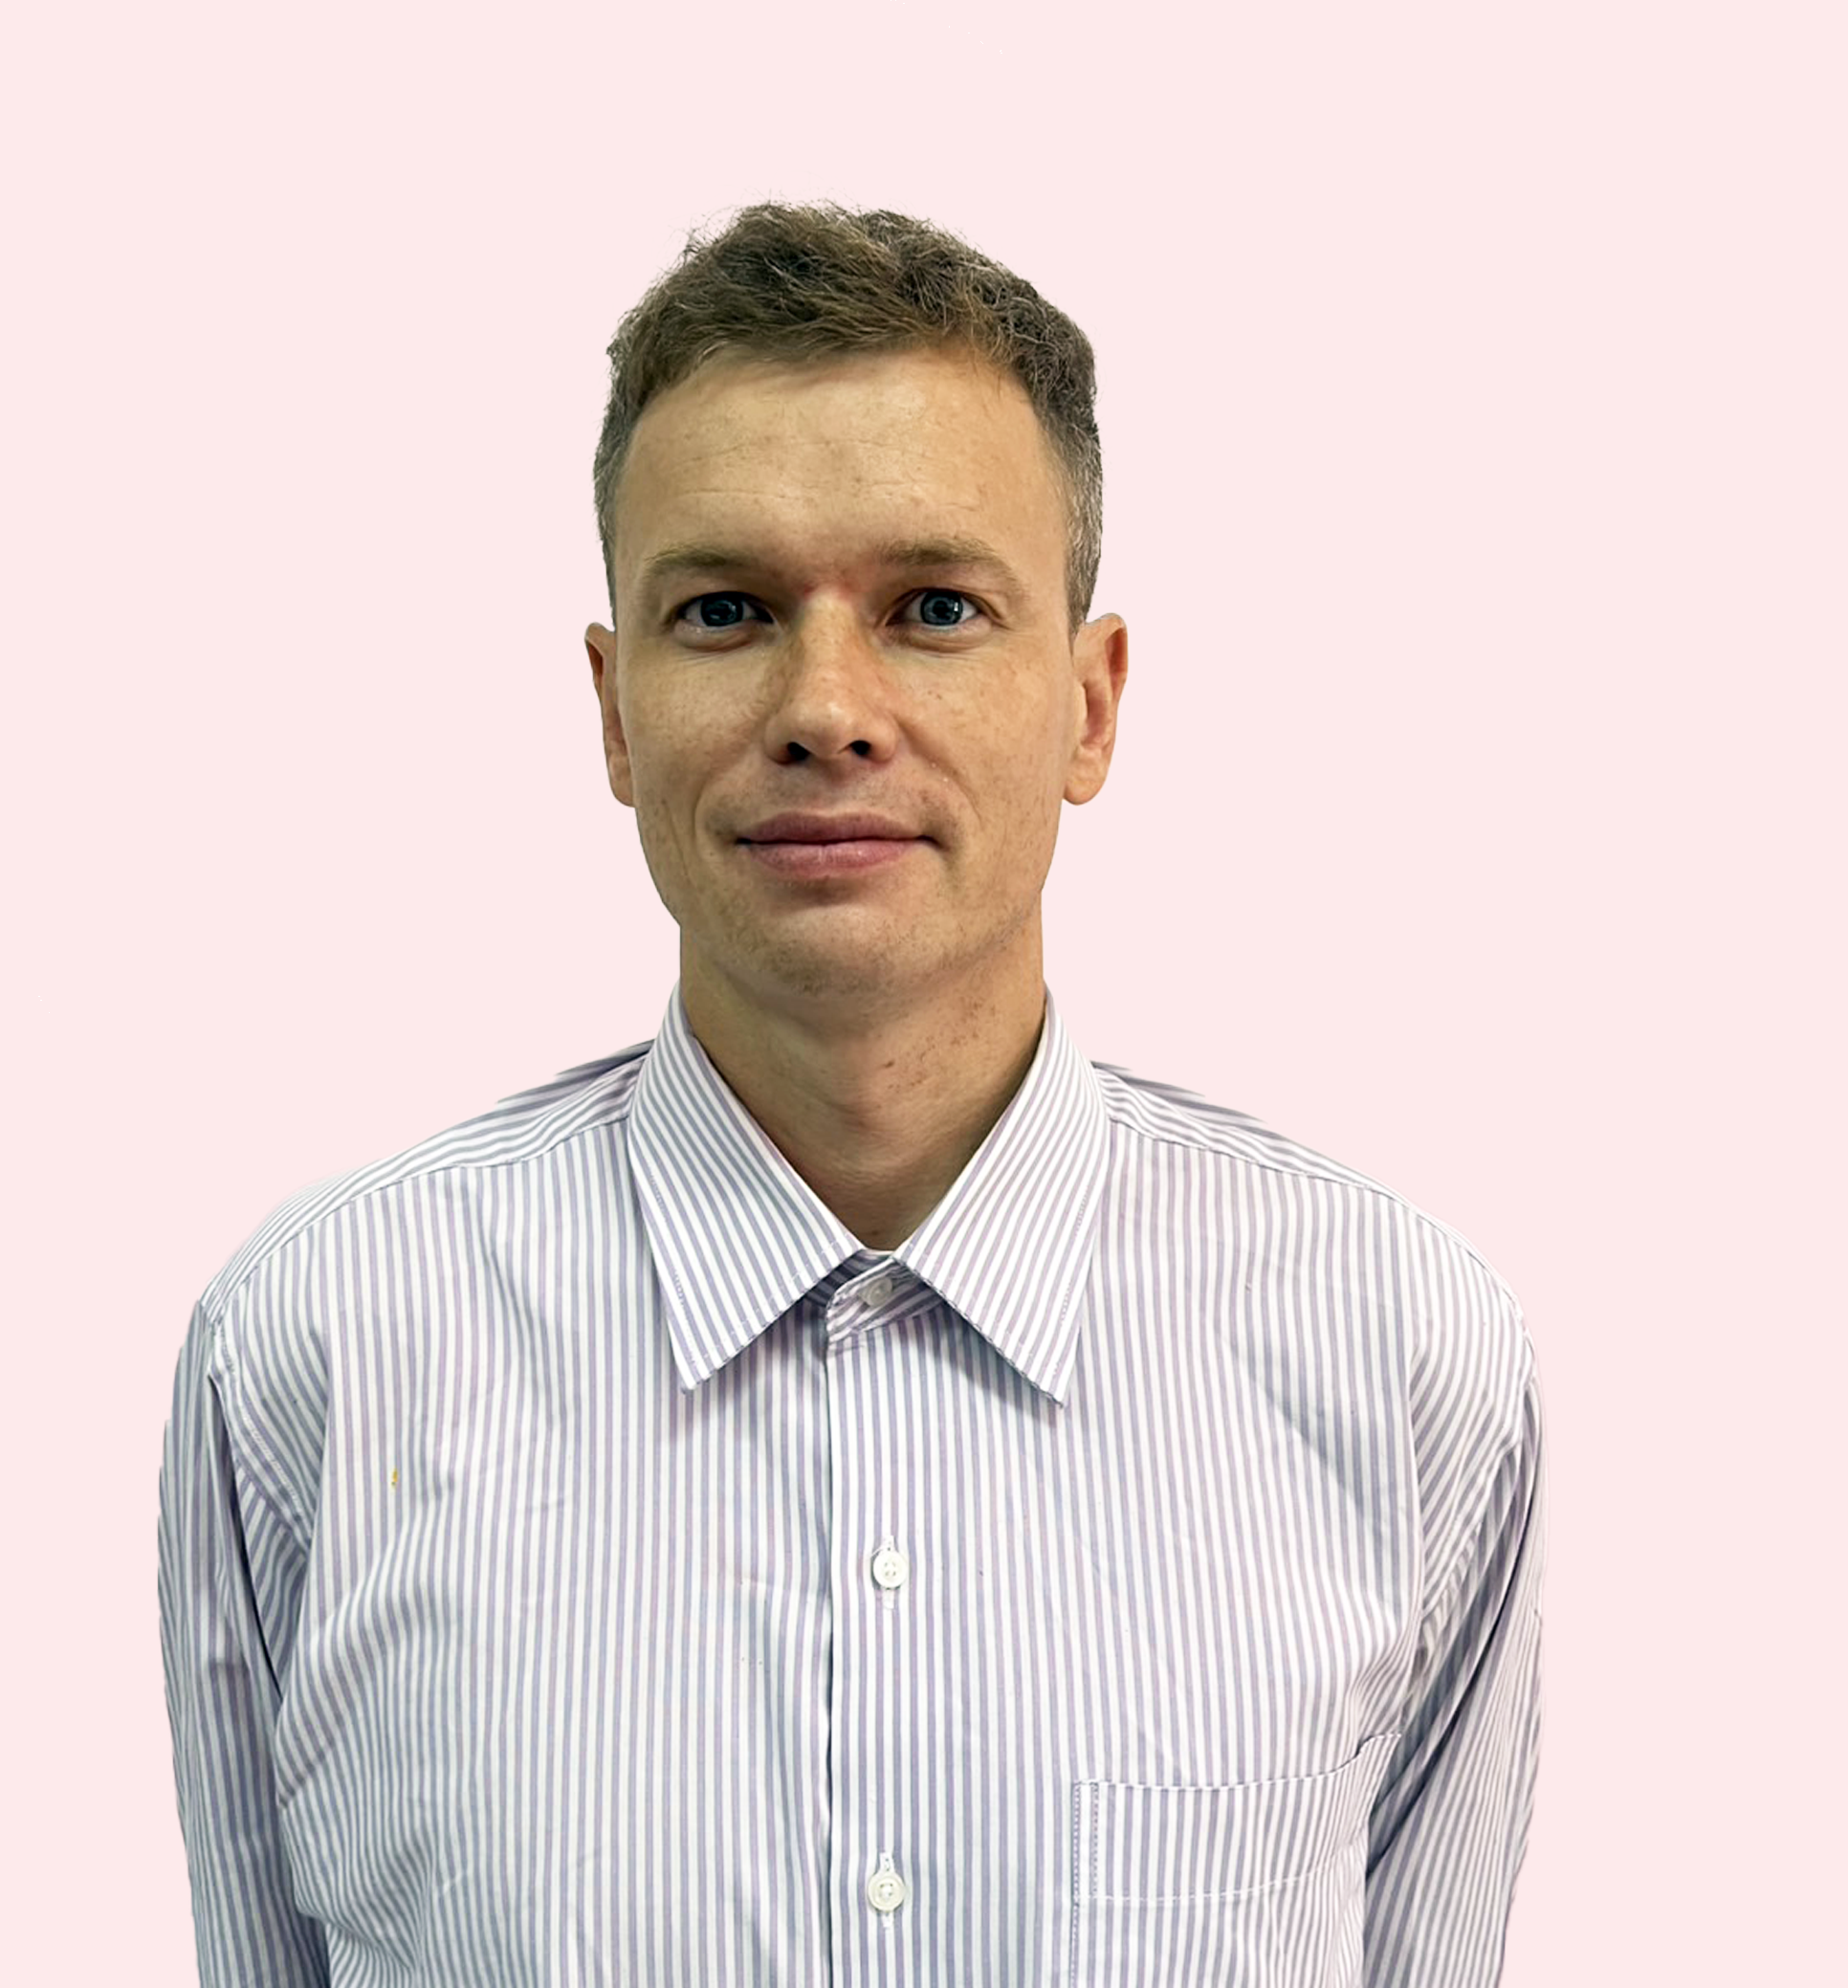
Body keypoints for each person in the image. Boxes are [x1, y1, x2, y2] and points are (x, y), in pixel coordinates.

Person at [158, 200, 1547, 1986]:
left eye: (934, 608)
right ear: (614, 708)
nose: (827, 707)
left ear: (1090, 704)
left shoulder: (1398, 1349)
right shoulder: (318, 1347)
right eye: (725, 609)